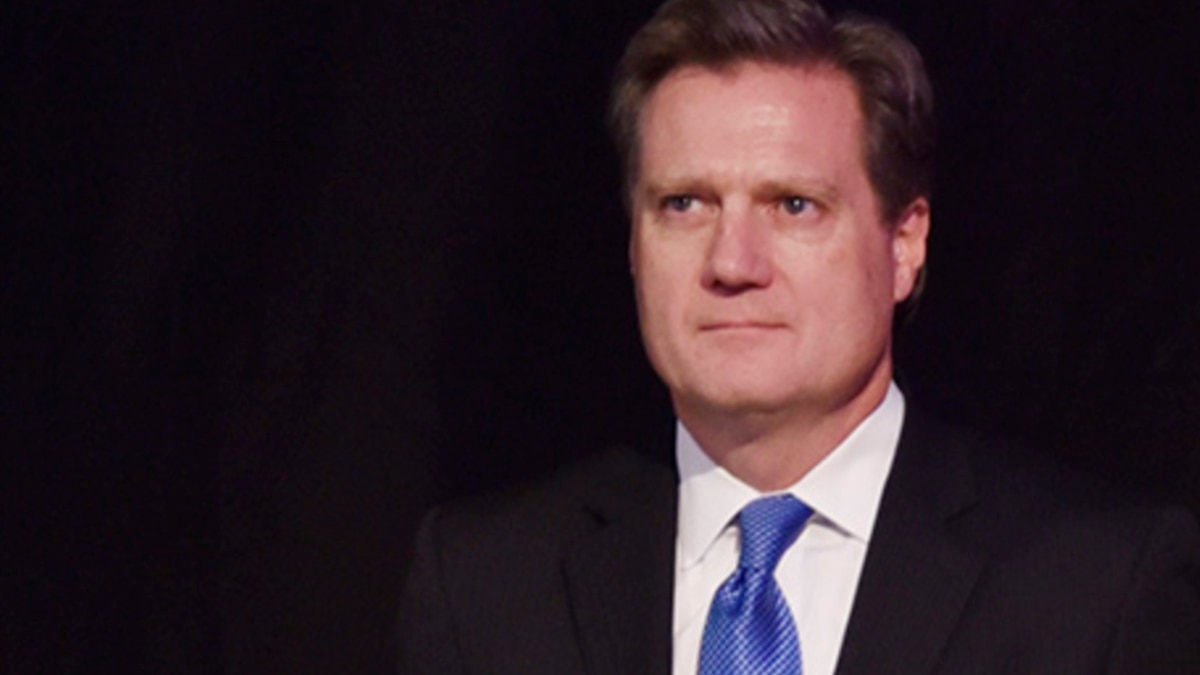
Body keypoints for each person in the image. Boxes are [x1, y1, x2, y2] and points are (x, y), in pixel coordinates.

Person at [397, 0, 1200, 673]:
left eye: (792, 206)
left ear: (904, 244)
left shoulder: (1099, 587)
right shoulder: (485, 585)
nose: (732, 262)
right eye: (684, 204)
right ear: (633, 242)